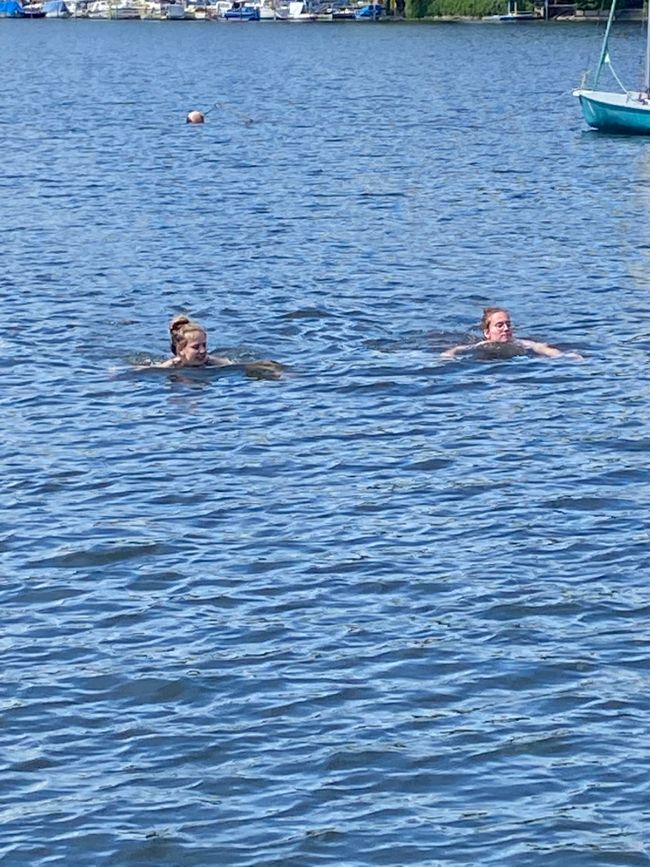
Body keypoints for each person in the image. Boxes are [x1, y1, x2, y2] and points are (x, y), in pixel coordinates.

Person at [142, 315, 283, 378]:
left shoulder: (211, 361)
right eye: (196, 347)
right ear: (180, 351)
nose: (202, 351)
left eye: (204, 345)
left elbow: (239, 366)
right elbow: (145, 372)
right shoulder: (170, 366)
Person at [441, 307, 582, 360]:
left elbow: (541, 348)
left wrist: (564, 356)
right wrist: (448, 356)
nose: (506, 328)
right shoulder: (482, 344)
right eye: (499, 325)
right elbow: (459, 349)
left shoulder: (521, 343)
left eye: (508, 324)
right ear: (487, 332)